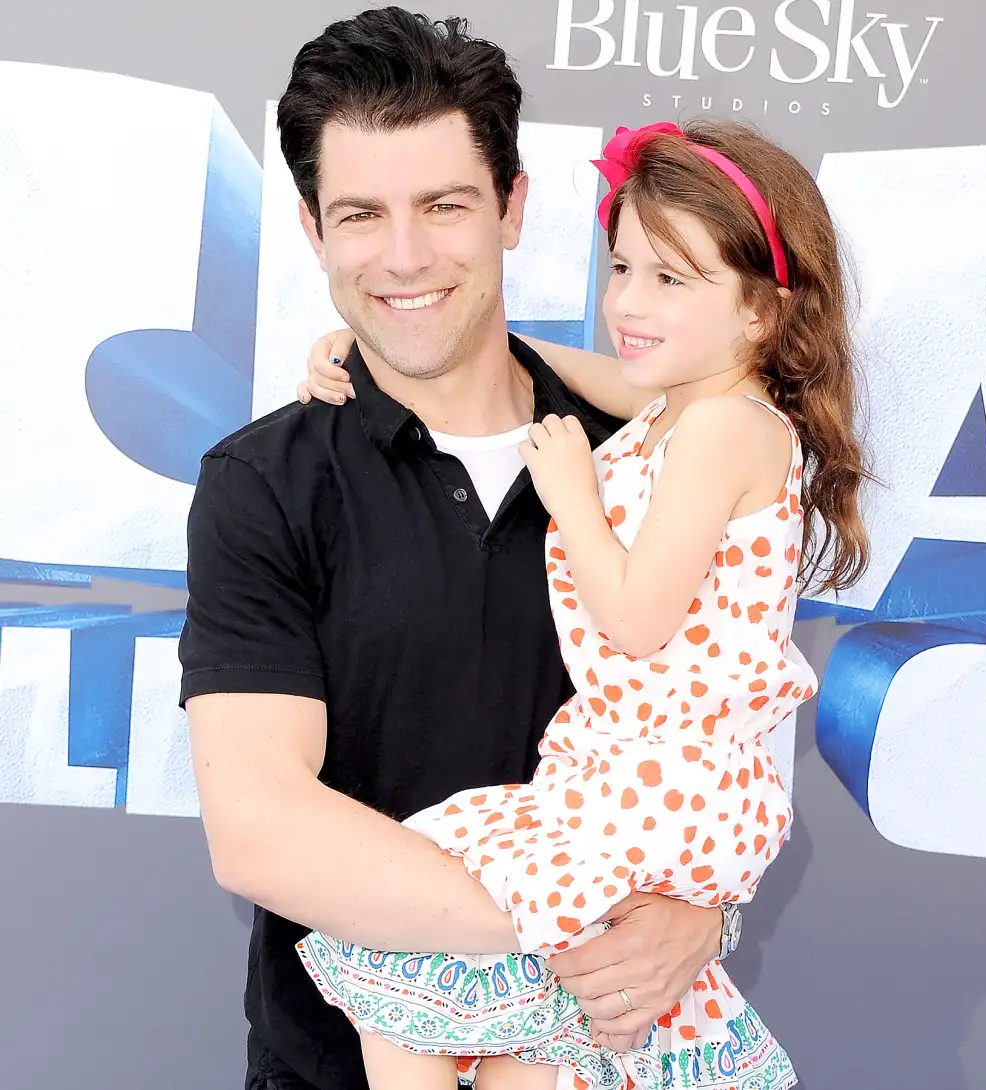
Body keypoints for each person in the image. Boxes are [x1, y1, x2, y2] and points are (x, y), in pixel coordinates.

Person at [179, 11, 729, 1090]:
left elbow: (716, 737)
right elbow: (262, 830)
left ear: (513, 205)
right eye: (361, 215)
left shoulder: (664, 460)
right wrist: (582, 931)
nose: (404, 256)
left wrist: (701, 911)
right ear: (312, 229)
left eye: (443, 206)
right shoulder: (264, 485)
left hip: (612, 1063)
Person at [295, 119, 869, 1090]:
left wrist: (571, 498)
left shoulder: (728, 428)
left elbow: (639, 619)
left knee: (458, 989)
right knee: (409, 989)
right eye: (622, 267)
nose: (628, 305)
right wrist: (383, 341)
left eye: (670, 279)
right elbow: (533, 368)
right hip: (602, 777)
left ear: (762, 314)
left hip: (657, 792)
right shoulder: (676, 409)